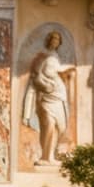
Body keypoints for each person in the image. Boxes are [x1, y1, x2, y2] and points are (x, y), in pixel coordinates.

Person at [22, 30, 72, 168]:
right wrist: (47, 85)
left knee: (57, 127)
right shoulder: (42, 57)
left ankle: (50, 157)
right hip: (46, 97)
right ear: (48, 40)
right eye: (53, 39)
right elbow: (35, 77)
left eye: (57, 40)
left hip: (58, 96)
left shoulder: (56, 57)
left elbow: (59, 73)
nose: (54, 42)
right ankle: (44, 156)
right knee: (49, 125)